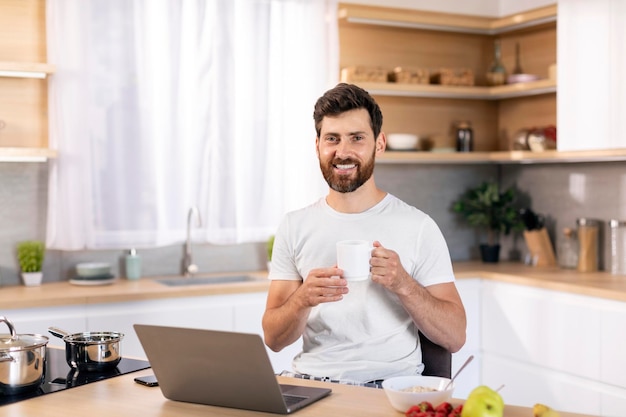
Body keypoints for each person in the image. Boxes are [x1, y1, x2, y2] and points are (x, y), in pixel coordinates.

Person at [262, 83, 466, 384]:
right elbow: (273, 338)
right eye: (332, 139)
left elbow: (455, 337)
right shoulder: (294, 226)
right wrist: (303, 298)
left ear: (379, 144)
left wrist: (403, 283)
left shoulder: (418, 226)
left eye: (357, 138)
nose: (343, 152)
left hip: (390, 387)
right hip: (312, 383)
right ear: (317, 145)